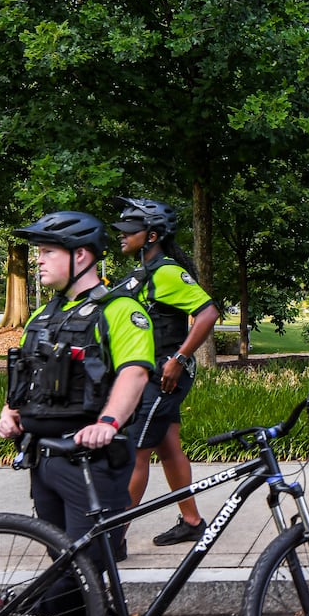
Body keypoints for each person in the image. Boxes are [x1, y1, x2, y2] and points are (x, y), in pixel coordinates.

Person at [0, 212, 153, 595]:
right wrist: (9, 412)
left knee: (84, 564)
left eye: (48, 251)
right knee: (64, 562)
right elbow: (27, 377)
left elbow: (135, 373)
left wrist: (109, 422)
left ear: (81, 256)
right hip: (44, 460)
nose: (39, 259)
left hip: (92, 462)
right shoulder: (43, 315)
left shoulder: (119, 311)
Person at [109, 197, 220, 547]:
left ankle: (113, 538)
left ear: (153, 235)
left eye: (129, 229)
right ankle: (192, 520)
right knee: (168, 447)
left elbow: (208, 314)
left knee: (136, 452)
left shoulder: (167, 272)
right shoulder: (141, 274)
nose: (121, 235)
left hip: (165, 377)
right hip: (148, 375)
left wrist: (179, 358)